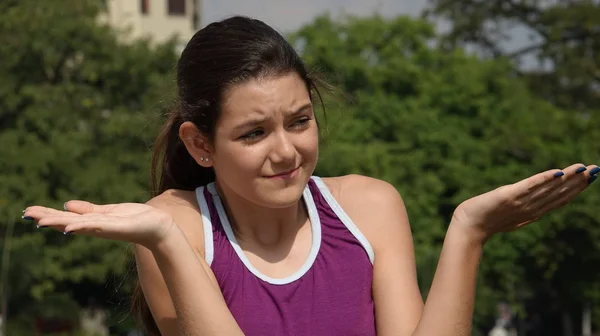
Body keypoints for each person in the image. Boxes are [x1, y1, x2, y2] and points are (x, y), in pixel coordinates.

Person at [22, 16, 598, 336]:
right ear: (201, 144)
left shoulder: (370, 206)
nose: (286, 152)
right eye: (253, 134)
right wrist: (166, 242)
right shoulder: (173, 227)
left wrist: (469, 232)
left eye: (299, 122)